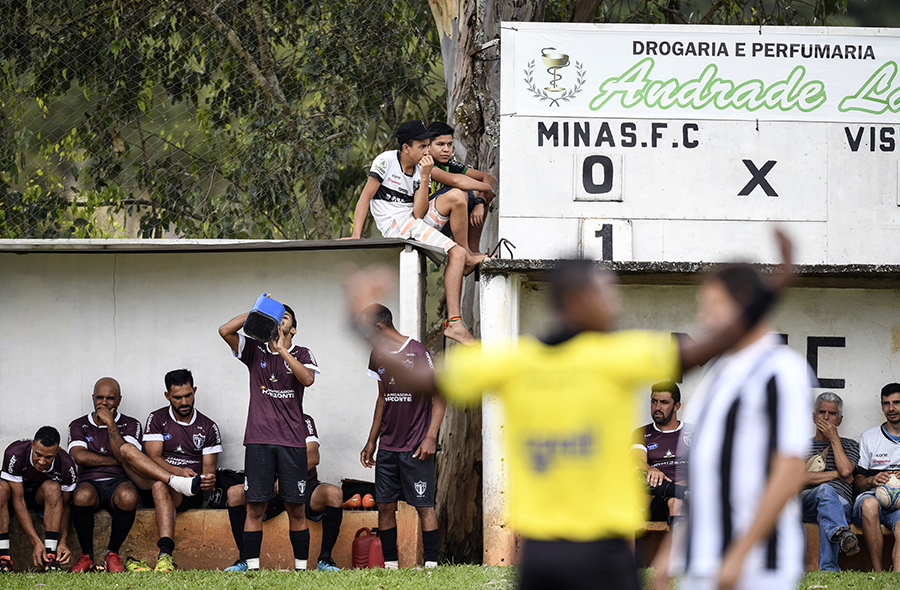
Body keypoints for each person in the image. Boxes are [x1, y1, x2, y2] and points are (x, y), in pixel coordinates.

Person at [343, 227, 793, 590]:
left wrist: (361, 324)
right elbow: (711, 344)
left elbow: (421, 378)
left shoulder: (514, 361)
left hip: (546, 556)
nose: (614, 301)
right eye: (605, 291)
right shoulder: (619, 356)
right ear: (578, 300)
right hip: (600, 555)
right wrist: (772, 288)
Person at [655, 263, 814, 590]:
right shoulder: (719, 373)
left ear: (744, 301)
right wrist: (669, 554)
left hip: (756, 566)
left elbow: (789, 471)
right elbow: (706, 478)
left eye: (712, 305)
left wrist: (739, 554)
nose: (704, 317)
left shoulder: (781, 370)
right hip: (703, 561)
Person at [348, 119, 484, 345]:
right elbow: (364, 199)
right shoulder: (385, 162)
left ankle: (467, 254)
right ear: (406, 148)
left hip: (412, 219)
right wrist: (355, 235)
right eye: (422, 146)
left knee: (457, 197)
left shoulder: (422, 167)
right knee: (455, 254)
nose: (426, 150)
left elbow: (419, 214)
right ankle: (455, 324)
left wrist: (425, 176)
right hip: (397, 225)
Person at [219, 299, 320, 571]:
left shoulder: (303, 352)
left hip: (291, 442)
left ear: (294, 329)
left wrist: (282, 351)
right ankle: (252, 568)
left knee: (296, 508)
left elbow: (308, 380)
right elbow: (225, 331)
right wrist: (255, 313)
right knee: (255, 507)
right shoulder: (254, 350)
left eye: (286, 316)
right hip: (259, 441)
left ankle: (301, 570)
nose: (281, 319)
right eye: (278, 316)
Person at [67, 377, 202, 573]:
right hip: (90, 481)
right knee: (82, 495)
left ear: (119, 400)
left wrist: (110, 423)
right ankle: (87, 556)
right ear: (93, 398)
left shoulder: (131, 424)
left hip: (120, 481)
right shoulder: (78, 425)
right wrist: (119, 459)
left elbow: (124, 452)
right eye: (100, 398)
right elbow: (80, 457)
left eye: (110, 398)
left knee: (129, 495)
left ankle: (112, 554)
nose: (104, 403)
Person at [359, 304, 445, 569]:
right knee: (384, 507)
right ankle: (391, 567)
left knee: (424, 506)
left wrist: (430, 437)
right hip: (387, 447)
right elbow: (383, 397)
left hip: (416, 447)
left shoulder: (418, 352)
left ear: (379, 328)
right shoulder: (377, 354)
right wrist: (371, 440)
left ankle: (431, 566)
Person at [127, 369, 222, 572]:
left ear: (194, 391)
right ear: (167, 396)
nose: (184, 402)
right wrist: (177, 473)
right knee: (127, 450)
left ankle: (165, 556)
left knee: (161, 486)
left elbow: (207, 473)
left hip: (188, 491)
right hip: (161, 480)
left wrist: (208, 480)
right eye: (177, 397)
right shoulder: (157, 418)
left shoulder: (208, 426)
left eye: (188, 395)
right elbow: (153, 457)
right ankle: (172, 481)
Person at [225, 413, 344, 572]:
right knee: (234, 493)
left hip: (301, 485)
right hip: (269, 487)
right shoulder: (263, 419)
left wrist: (288, 476)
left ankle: (325, 560)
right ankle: (245, 559)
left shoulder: (304, 420)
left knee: (335, 494)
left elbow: (313, 457)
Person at [0, 427, 76, 572]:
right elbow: (18, 500)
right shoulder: (15, 453)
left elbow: (66, 506)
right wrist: (35, 542)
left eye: (48, 457)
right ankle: (4, 558)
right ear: (32, 445)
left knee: (53, 488)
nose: (41, 461)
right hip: (14, 496)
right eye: (38, 454)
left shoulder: (66, 464)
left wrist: (64, 540)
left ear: (57, 451)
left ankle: (50, 557)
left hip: (40, 497)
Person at [800, 392, 860, 572]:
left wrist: (834, 438)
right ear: (813, 416)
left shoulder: (850, 445)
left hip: (839, 505)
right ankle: (842, 534)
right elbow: (798, 478)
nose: (826, 417)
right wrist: (835, 475)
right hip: (807, 501)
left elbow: (846, 470)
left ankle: (829, 570)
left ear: (840, 420)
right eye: (821, 412)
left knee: (829, 508)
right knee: (826, 491)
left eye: (832, 414)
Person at [425, 121, 497, 254]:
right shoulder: (425, 162)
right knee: (464, 191)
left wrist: (480, 203)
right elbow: (455, 180)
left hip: (442, 217)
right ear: (427, 147)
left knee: (477, 193)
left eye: (449, 144)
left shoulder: (448, 163)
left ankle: (474, 250)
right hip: (424, 223)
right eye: (440, 144)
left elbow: (490, 178)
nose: (446, 149)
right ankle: (466, 253)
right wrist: (487, 190)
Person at [853, 382, 900, 572]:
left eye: (897, 402)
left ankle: (896, 578)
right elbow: (857, 483)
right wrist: (872, 480)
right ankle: (878, 574)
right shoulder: (869, 437)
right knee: (869, 505)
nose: (891, 408)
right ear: (881, 406)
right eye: (886, 403)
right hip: (872, 498)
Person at [631, 381, 692, 524]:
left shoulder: (693, 431)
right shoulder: (643, 433)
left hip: (690, 494)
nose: (657, 407)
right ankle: (678, 490)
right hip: (655, 493)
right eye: (654, 401)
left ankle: (680, 492)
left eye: (664, 402)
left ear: (677, 406)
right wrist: (650, 468)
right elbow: (636, 459)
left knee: (676, 502)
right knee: (633, 468)